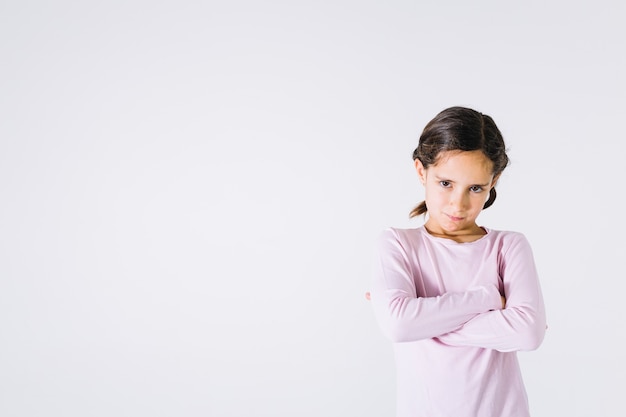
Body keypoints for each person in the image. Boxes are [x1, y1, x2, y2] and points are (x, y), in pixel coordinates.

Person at [367, 106, 546, 417]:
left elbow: (528, 334)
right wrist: (487, 298)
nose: (458, 204)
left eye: (475, 188)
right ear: (422, 171)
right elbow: (399, 325)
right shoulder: (398, 244)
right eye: (445, 183)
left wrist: (424, 321)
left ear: (494, 181)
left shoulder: (508, 247)